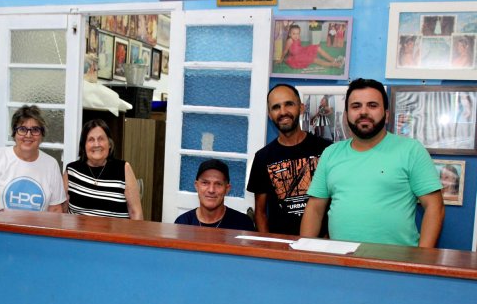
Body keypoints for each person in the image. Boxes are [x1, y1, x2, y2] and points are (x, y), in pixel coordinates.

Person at [301, 78, 445, 247]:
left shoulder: (411, 150)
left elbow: (435, 207)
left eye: (372, 105)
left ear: (387, 115)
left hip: (396, 260)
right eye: (356, 106)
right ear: (346, 115)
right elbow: (315, 209)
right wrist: (304, 252)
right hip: (340, 259)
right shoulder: (330, 153)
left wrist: (422, 257)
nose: (364, 112)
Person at [247, 84, 331, 235]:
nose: (283, 112)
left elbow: (337, 202)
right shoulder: (262, 157)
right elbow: (260, 212)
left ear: (301, 108)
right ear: (270, 114)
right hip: (280, 245)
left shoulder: (326, 150)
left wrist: (329, 241)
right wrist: (269, 245)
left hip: (320, 244)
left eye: (289, 104)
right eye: (276, 107)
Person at [0, 105, 65, 212]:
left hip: (37, 224)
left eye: (35, 130)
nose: (28, 135)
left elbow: (55, 209)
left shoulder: (51, 164)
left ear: (42, 135)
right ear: (14, 133)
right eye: (22, 129)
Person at [63, 119, 143, 220]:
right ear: (84, 145)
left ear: (109, 144)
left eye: (101, 139)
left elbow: (136, 213)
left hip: (117, 230)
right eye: (91, 140)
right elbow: (63, 211)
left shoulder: (123, 169)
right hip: (78, 231)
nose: (96, 144)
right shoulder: (71, 171)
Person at [176, 159, 255, 231]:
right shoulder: (183, 223)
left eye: (218, 184)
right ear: (196, 186)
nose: (211, 190)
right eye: (205, 183)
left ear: (227, 189)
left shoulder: (243, 223)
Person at [277, 24, 343, 70]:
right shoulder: (290, 40)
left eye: (298, 33)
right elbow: (285, 51)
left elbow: (298, 47)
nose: (296, 36)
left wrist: (306, 52)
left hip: (302, 51)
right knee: (315, 60)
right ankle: (336, 65)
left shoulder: (297, 38)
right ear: (290, 34)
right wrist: (281, 59)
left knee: (317, 48)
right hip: (297, 57)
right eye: (294, 34)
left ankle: (334, 60)